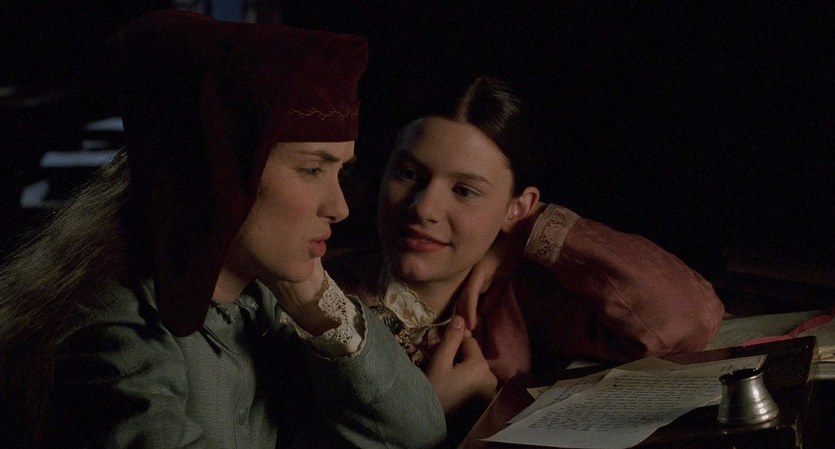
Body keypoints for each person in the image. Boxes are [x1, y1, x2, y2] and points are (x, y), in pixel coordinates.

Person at [0, 10, 447, 449]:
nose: (339, 207)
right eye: (312, 170)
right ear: (224, 173)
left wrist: (314, 298)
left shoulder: (265, 300)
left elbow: (419, 433)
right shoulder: (118, 331)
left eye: (340, 172)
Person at [326, 76, 727, 417]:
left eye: (464, 191)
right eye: (408, 173)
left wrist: (529, 231)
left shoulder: (515, 299)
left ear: (517, 206)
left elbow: (685, 318)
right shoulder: (322, 295)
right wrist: (422, 416)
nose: (423, 208)